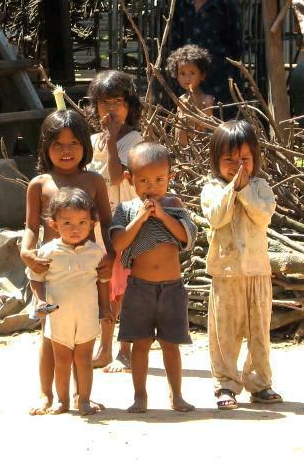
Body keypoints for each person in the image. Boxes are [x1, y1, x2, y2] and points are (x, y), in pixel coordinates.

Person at [20, 109, 113, 415]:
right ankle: (47, 395)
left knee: (83, 337)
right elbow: (31, 226)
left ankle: (80, 395)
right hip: (50, 268)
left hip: (86, 267)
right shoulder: (39, 184)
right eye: (57, 144)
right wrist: (26, 251)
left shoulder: (94, 181)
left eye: (73, 143)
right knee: (51, 337)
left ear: (85, 145)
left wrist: (111, 257)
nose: (66, 150)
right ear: (45, 147)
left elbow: (106, 224)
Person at [200, 120, 283, 410]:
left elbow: (263, 216)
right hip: (225, 275)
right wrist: (232, 189)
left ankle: (260, 384)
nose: (238, 167)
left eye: (244, 160)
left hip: (257, 272)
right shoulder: (212, 189)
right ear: (215, 160)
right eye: (229, 160)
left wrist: (245, 190)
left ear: (255, 158)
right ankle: (226, 384)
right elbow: (216, 217)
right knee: (225, 334)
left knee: (259, 332)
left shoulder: (261, 187)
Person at [110, 142, 197, 413]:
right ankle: (140, 396)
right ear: (130, 179)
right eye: (144, 180)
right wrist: (139, 219)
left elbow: (186, 237)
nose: (152, 187)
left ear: (170, 177)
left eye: (160, 179)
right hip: (140, 289)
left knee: (171, 345)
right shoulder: (126, 209)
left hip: (172, 288)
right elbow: (119, 243)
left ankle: (176, 395)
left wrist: (161, 215)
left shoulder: (174, 205)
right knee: (140, 344)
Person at [26, 187, 114, 416]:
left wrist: (105, 308)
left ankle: (83, 400)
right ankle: (62, 401)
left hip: (87, 316)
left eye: (82, 222)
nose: (75, 229)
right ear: (54, 225)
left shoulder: (96, 253)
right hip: (58, 317)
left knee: (84, 360)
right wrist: (40, 301)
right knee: (61, 360)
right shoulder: (47, 252)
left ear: (92, 224)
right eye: (67, 223)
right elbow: (35, 279)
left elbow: (103, 282)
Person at [86, 70, 143, 373]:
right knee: (105, 287)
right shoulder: (91, 141)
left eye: (117, 102)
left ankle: (124, 350)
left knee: (125, 289)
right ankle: (104, 348)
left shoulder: (135, 141)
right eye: (104, 103)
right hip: (98, 227)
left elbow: (117, 176)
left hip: (126, 225)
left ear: (129, 105)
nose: (111, 109)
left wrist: (110, 141)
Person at [171, 0, 243, 119]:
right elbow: (175, 44)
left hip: (220, 82)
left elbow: (236, 48)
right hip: (188, 80)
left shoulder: (226, 2)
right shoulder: (180, 1)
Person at [166, 44, 214, 146]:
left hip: (200, 150)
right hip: (181, 150)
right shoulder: (180, 100)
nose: (187, 78)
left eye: (192, 73)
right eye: (182, 73)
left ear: (202, 75)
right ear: (177, 75)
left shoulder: (207, 101)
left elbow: (207, 130)